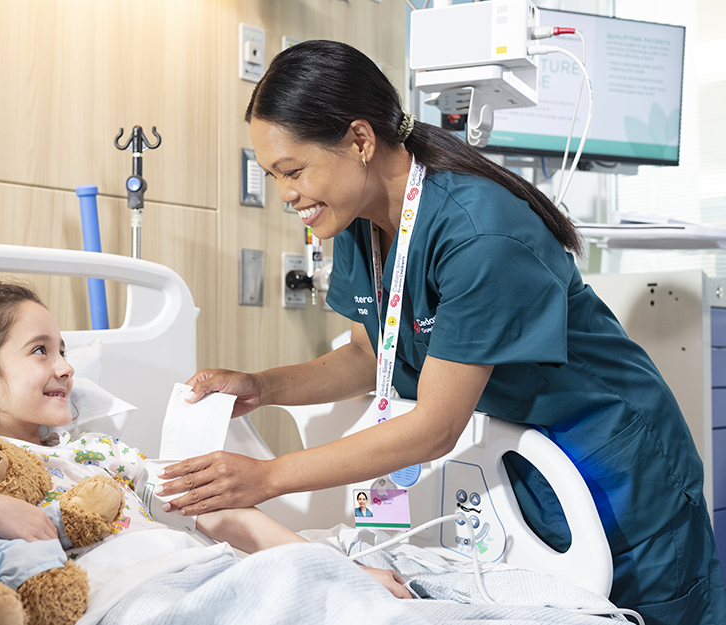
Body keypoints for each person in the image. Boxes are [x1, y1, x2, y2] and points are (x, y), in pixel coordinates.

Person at [157, 40, 726, 625]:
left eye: (293, 170)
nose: (285, 195)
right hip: (526, 463)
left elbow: (434, 426)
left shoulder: (481, 234)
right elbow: (367, 354)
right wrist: (260, 386)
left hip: (614, 466)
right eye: (272, 175)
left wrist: (267, 477)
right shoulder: (360, 220)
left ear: (359, 141)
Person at [0, 280, 410, 601]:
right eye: (40, 351)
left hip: (205, 574)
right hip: (132, 601)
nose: (66, 367)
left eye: (63, 349)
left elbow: (217, 514)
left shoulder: (98, 455)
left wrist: (341, 570)